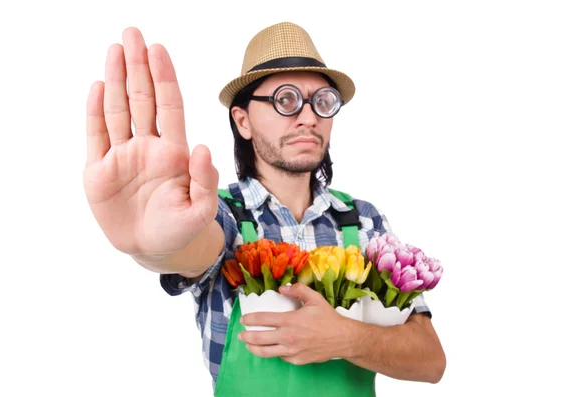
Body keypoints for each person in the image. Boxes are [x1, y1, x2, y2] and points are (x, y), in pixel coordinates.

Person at [83, 21, 446, 396]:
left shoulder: (365, 221)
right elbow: (192, 246)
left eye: (322, 101)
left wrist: (347, 338)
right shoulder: (223, 215)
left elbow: (431, 360)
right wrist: (156, 246)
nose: (309, 117)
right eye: (285, 100)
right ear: (243, 120)